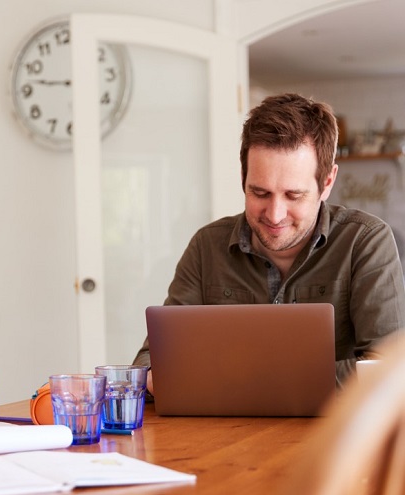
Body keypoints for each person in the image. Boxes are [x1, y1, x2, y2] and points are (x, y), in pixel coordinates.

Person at [133, 93, 405, 393]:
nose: (275, 215)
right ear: (243, 179)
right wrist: (153, 375)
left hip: (333, 436)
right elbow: (150, 363)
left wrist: (249, 379)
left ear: (327, 183)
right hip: (223, 436)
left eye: (293, 195)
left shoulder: (365, 242)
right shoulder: (206, 246)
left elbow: (389, 370)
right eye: (260, 193)